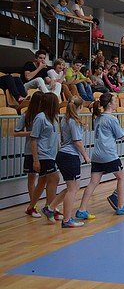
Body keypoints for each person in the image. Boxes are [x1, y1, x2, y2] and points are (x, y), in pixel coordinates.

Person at [76, 93, 124, 219]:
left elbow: (111, 134)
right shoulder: (112, 119)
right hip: (108, 154)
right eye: (114, 100)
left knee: (93, 182)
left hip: (97, 154)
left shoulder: (98, 117)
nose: (116, 102)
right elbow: (121, 136)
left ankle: (82, 209)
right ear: (110, 104)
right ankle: (121, 206)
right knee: (122, 177)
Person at [46, 97, 91, 227]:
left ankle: (50, 208)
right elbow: (77, 142)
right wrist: (86, 156)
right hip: (70, 156)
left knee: (73, 187)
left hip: (63, 155)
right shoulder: (73, 121)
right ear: (80, 107)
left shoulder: (65, 120)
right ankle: (66, 220)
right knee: (72, 189)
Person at [14, 92, 49, 218]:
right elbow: (16, 132)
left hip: (44, 151)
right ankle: (32, 206)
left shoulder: (45, 116)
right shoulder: (26, 115)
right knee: (32, 178)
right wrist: (31, 133)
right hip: (30, 150)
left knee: (46, 178)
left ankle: (48, 205)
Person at [28, 93, 62, 224]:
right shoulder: (40, 117)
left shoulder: (54, 117)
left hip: (52, 154)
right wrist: (35, 159)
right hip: (43, 155)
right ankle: (50, 208)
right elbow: (33, 139)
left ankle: (31, 207)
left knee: (42, 181)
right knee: (55, 178)